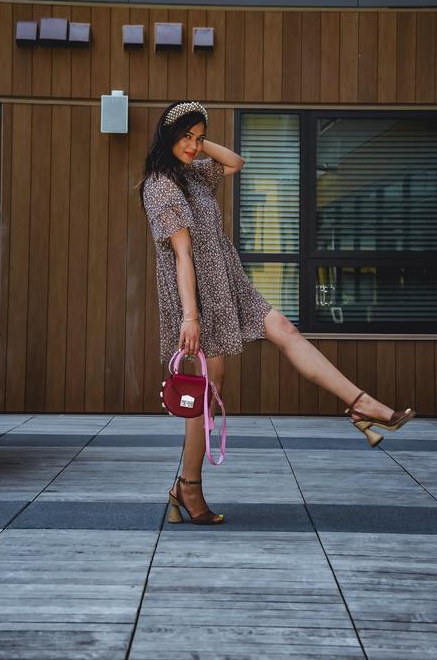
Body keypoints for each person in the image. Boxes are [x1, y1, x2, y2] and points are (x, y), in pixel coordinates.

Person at [140, 100, 415, 526]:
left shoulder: (192, 175)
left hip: (230, 282)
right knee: (208, 393)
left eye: (198, 137)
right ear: (167, 137)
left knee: (284, 329)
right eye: (185, 137)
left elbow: (236, 161)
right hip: (198, 297)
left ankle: (362, 405)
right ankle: (187, 487)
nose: (194, 146)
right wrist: (190, 317)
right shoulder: (161, 185)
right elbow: (182, 253)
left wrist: (197, 139)